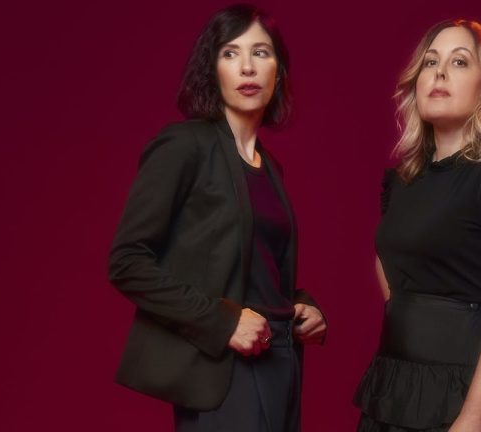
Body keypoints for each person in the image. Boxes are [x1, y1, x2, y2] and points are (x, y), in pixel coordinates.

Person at [107, 4, 326, 432]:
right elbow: (126, 262)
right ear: (213, 70)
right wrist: (222, 322)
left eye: (261, 53)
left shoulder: (271, 169)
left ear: (278, 72)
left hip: (281, 362)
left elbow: (253, 270)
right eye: (230, 53)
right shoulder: (183, 146)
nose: (247, 67)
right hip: (225, 371)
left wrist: (302, 306)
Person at [353, 19, 481, 432]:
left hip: (470, 388)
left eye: (460, 62)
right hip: (397, 382)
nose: (440, 73)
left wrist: (472, 419)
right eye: (430, 62)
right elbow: (393, 269)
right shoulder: (403, 179)